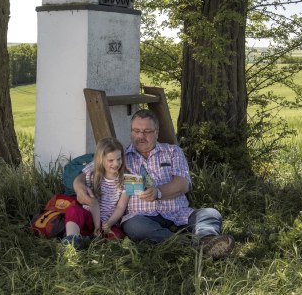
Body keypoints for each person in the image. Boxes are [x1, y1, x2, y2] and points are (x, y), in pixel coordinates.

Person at [74, 109, 235, 260]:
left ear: (157, 133)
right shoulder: (120, 156)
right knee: (134, 227)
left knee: (210, 213)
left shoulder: (172, 151)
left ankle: (206, 238)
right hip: (141, 216)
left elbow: (183, 184)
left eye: (147, 132)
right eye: (136, 131)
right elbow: (84, 174)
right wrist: (79, 188)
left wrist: (158, 192)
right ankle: (192, 245)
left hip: (178, 211)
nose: (140, 136)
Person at [62, 137, 129, 249]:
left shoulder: (125, 180)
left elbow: (121, 207)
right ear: (101, 160)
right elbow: (93, 204)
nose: (116, 164)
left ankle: (90, 239)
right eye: (110, 160)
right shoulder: (93, 176)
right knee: (73, 210)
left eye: (119, 159)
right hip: (90, 216)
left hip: (108, 222)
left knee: (117, 235)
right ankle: (72, 239)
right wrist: (96, 226)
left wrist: (110, 223)